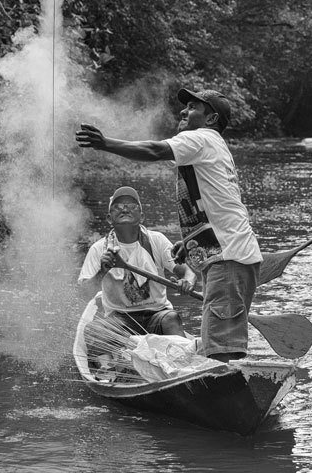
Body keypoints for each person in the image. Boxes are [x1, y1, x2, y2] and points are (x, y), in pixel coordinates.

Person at [76, 87, 262, 362]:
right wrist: (190, 242)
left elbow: (154, 150)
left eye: (193, 108)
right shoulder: (208, 146)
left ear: (210, 119)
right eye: (184, 107)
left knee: (224, 349)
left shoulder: (202, 138)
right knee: (218, 340)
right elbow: (216, 206)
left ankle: (221, 396)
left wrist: (105, 144)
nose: (184, 111)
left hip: (229, 256)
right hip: (226, 255)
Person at [77, 186, 196, 365]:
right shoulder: (99, 249)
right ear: (109, 218)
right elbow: (84, 293)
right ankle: (108, 371)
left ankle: (183, 367)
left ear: (142, 216)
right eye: (118, 206)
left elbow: (187, 271)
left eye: (132, 205)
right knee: (94, 330)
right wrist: (102, 271)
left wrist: (187, 281)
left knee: (172, 318)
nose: (125, 208)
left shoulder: (156, 240)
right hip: (120, 319)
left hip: (157, 315)